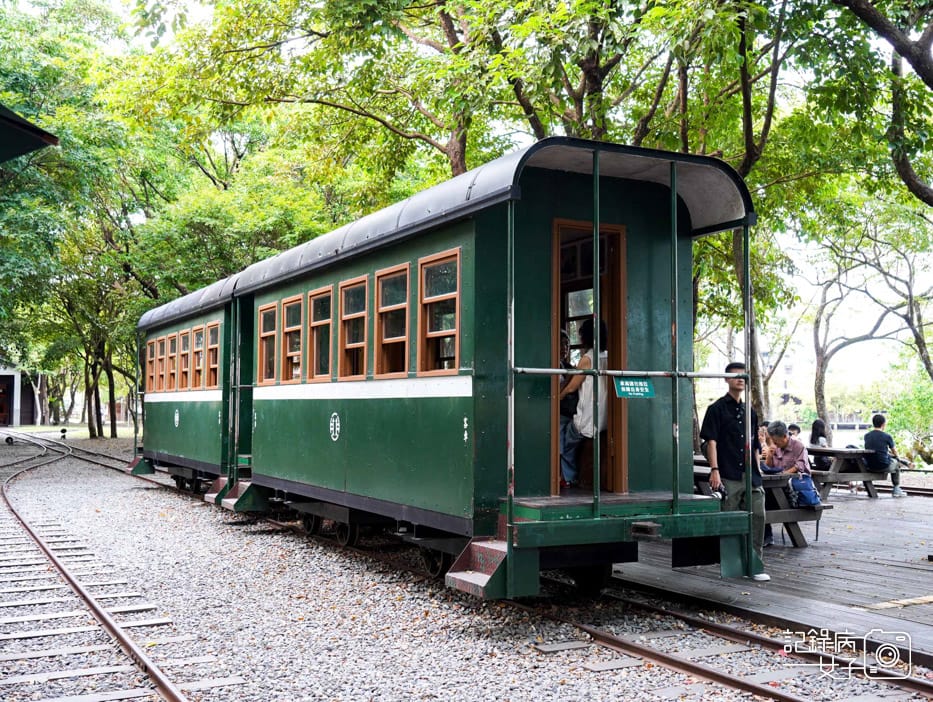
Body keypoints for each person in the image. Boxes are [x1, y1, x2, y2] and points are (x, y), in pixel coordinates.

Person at [699, 361, 769, 581]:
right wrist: (714, 470)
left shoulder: (750, 412)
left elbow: (755, 444)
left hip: (751, 475)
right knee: (730, 517)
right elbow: (711, 442)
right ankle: (733, 564)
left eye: (744, 376)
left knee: (757, 516)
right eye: (736, 376)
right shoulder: (716, 409)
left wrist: (758, 469)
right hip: (727, 472)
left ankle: (755, 564)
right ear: (726, 379)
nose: (741, 379)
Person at [558, 319, 608, 489]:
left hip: (587, 419)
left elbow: (572, 387)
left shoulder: (587, 359)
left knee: (564, 442)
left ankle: (569, 478)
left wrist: (557, 397)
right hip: (605, 419)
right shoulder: (608, 356)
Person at [864, 414, 907, 498]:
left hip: (869, 466)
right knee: (896, 463)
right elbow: (894, 451)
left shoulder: (867, 436)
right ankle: (896, 489)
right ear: (883, 424)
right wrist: (897, 457)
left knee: (891, 461)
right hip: (883, 466)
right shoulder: (887, 436)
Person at [558, 330, 578, 436]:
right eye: (560, 343)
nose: (564, 347)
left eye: (567, 344)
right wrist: (569, 378)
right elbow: (554, 394)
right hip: (558, 414)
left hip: (571, 413)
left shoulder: (567, 366)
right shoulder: (548, 367)